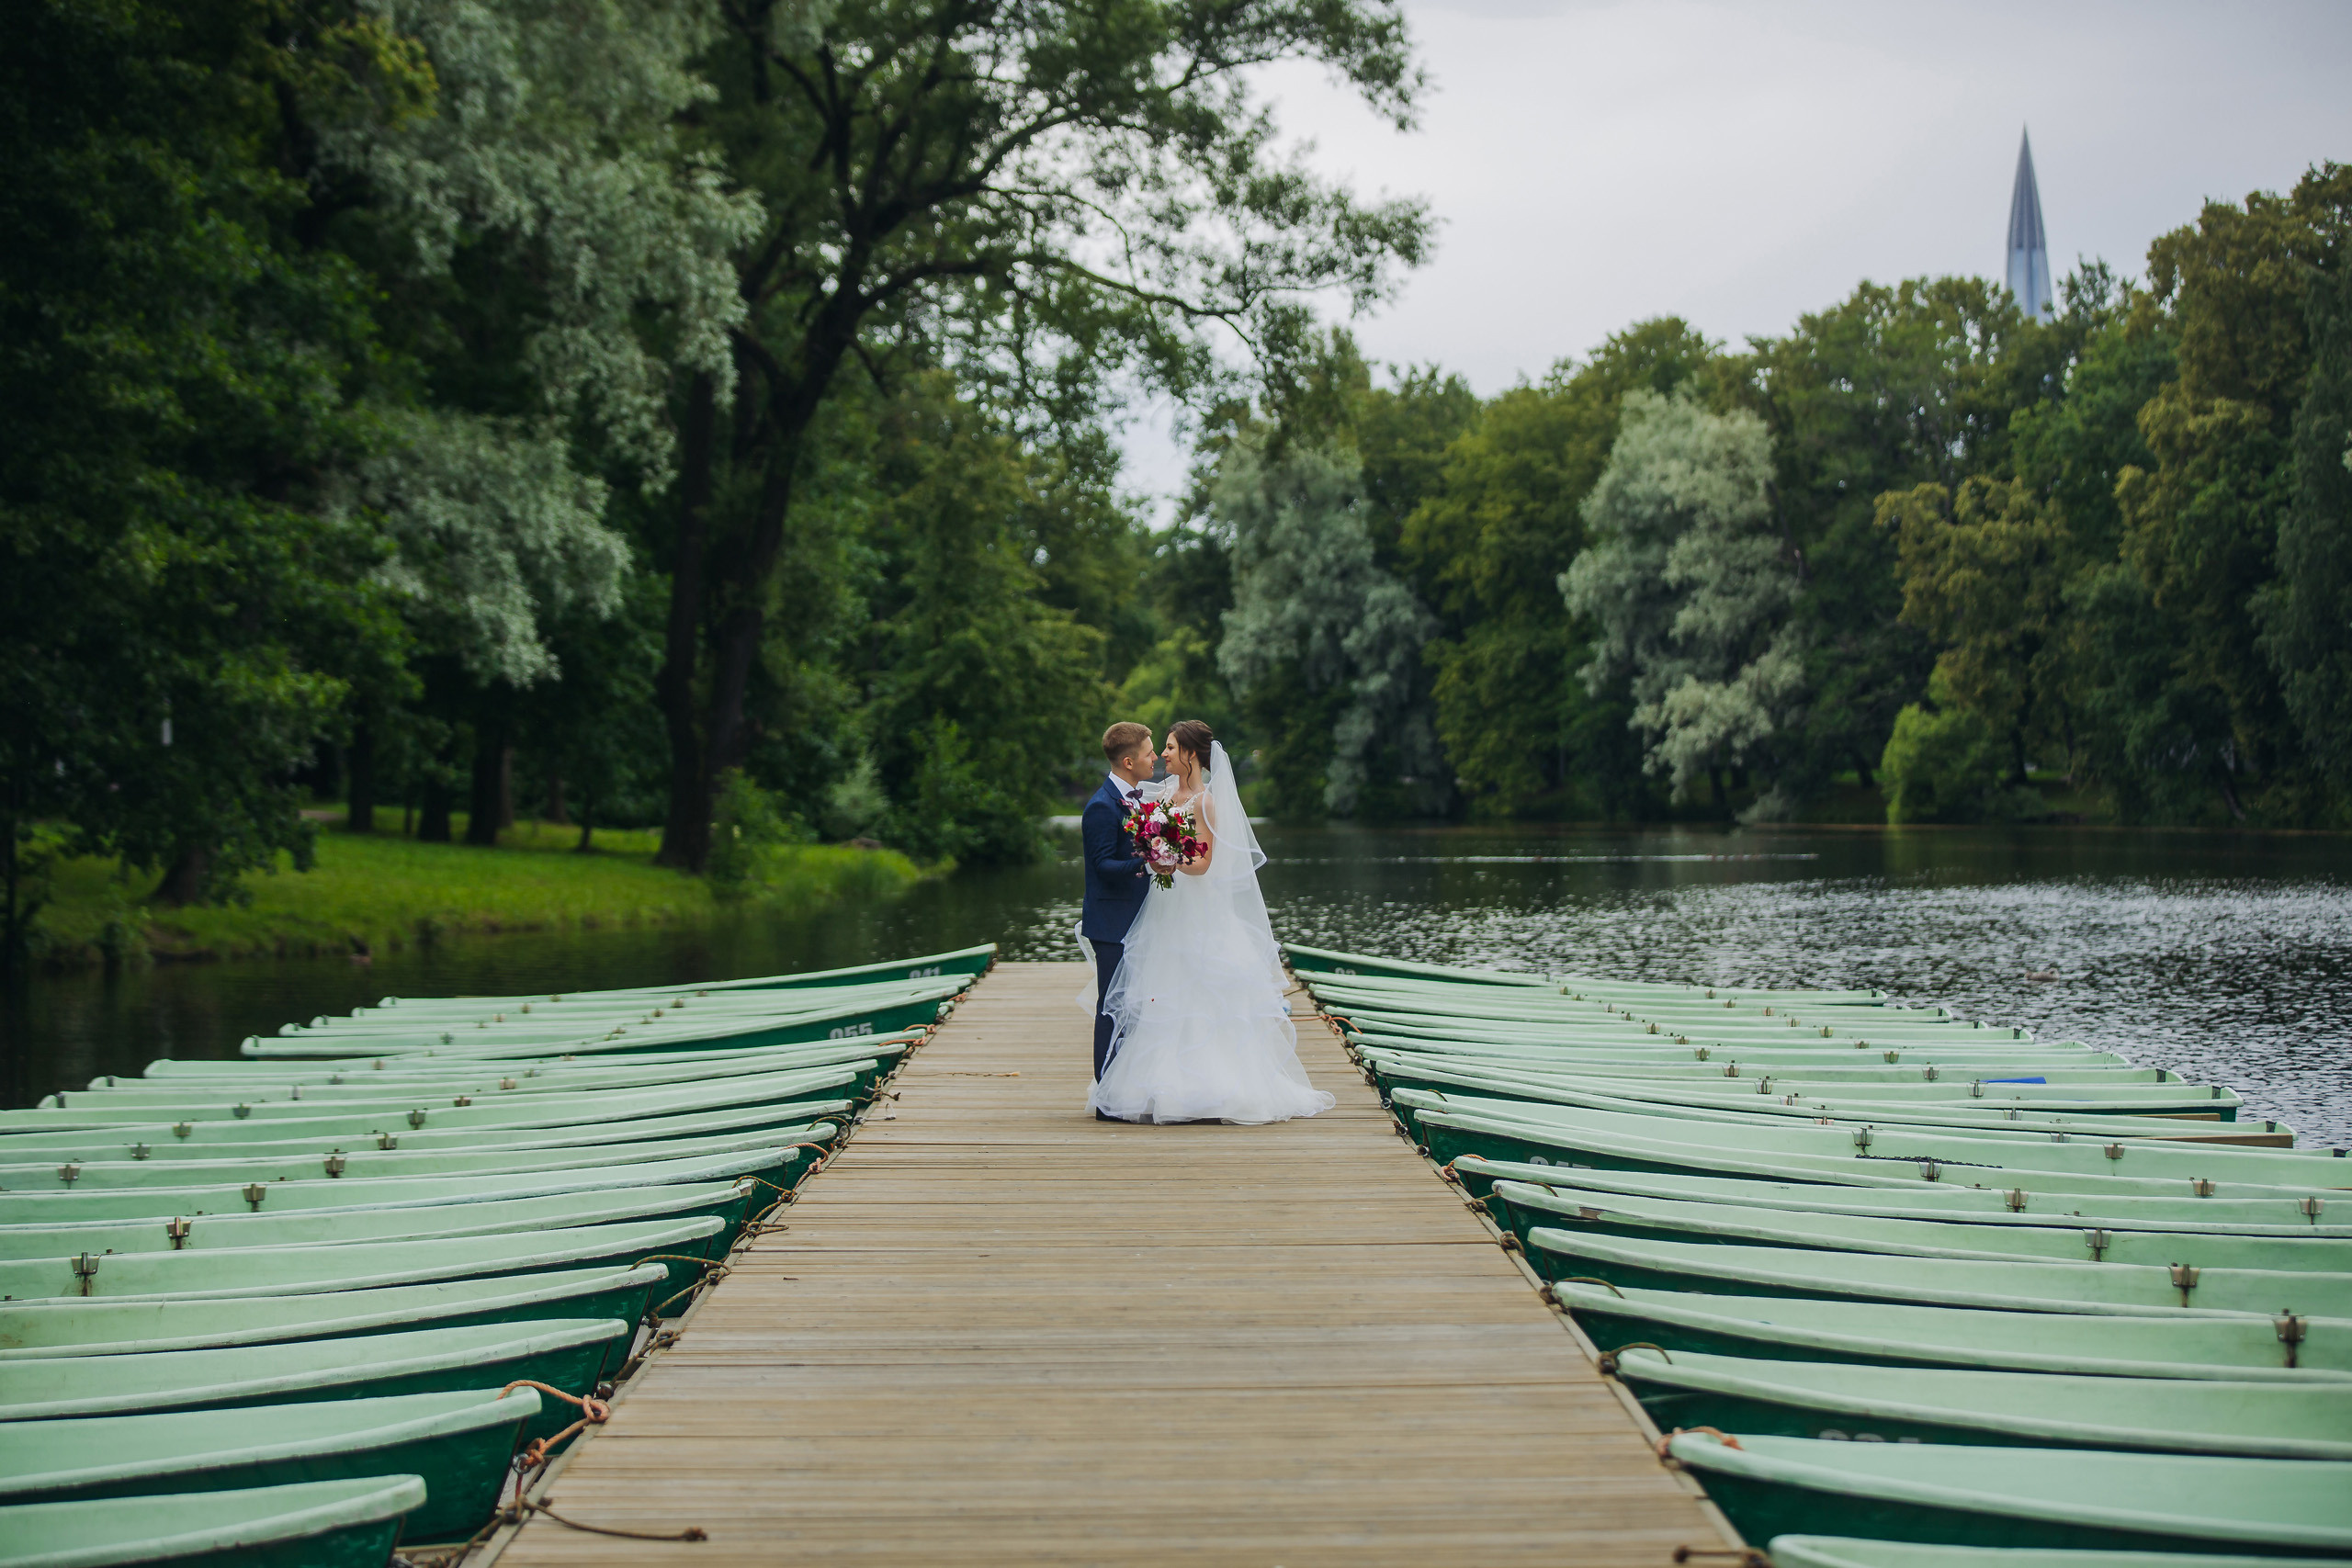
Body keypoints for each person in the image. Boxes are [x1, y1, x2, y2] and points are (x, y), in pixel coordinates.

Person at [1089, 719, 1336, 1124]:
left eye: (1169, 748)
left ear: (1190, 754)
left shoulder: (1206, 802)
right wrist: (1153, 848)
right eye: (1159, 748)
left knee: (1201, 991)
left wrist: (1169, 855)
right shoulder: (1165, 792)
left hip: (1197, 907)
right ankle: (1153, 1087)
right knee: (1160, 992)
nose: (1162, 755)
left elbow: (1203, 864)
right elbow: (1134, 824)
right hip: (1163, 909)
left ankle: (1209, 1088)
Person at [1079, 721, 1157, 1111]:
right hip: (1111, 923)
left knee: (1136, 1003)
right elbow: (1103, 865)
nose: (1155, 757)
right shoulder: (1100, 807)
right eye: (1148, 752)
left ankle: (1129, 1085)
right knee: (1111, 1006)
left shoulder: (1137, 799)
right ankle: (1106, 1096)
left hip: (1138, 919)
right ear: (1129, 761)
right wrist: (1148, 859)